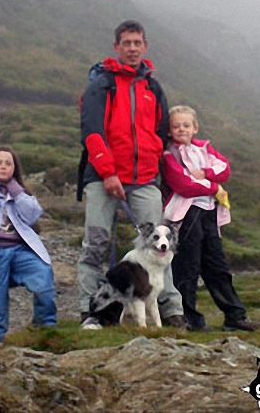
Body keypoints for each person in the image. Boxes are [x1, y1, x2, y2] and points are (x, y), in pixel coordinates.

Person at [77, 19, 184, 328]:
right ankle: (92, 312)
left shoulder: (152, 86)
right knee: (95, 244)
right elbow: (92, 132)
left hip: (144, 179)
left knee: (161, 243)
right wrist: (108, 173)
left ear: (145, 46)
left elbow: (161, 131)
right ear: (117, 47)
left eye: (138, 43)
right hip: (102, 177)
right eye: (127, 43)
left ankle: (170, 310)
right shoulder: (102, 84)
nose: (133, 48)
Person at [162, 105, 260, 332]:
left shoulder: (204, 149)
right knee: (187, 266)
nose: (181, 130)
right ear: (169, 130)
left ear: (195, 127)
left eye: (186, 125)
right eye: (176, 126)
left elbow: (224, 168)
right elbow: (183, 186)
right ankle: (188, 319)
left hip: (209, 214)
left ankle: (235, 316)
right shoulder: (169, 155)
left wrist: (206, 175)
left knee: (217, 265)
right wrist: (214, 186)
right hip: (187, 215)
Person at [0, 146, 57, 342]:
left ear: (15, 168)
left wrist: (16, 190)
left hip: (20, 250)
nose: (3, 167)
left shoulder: (20, 192)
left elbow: (32, 215)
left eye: (8, 163)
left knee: (43, 279)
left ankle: (45, 330)